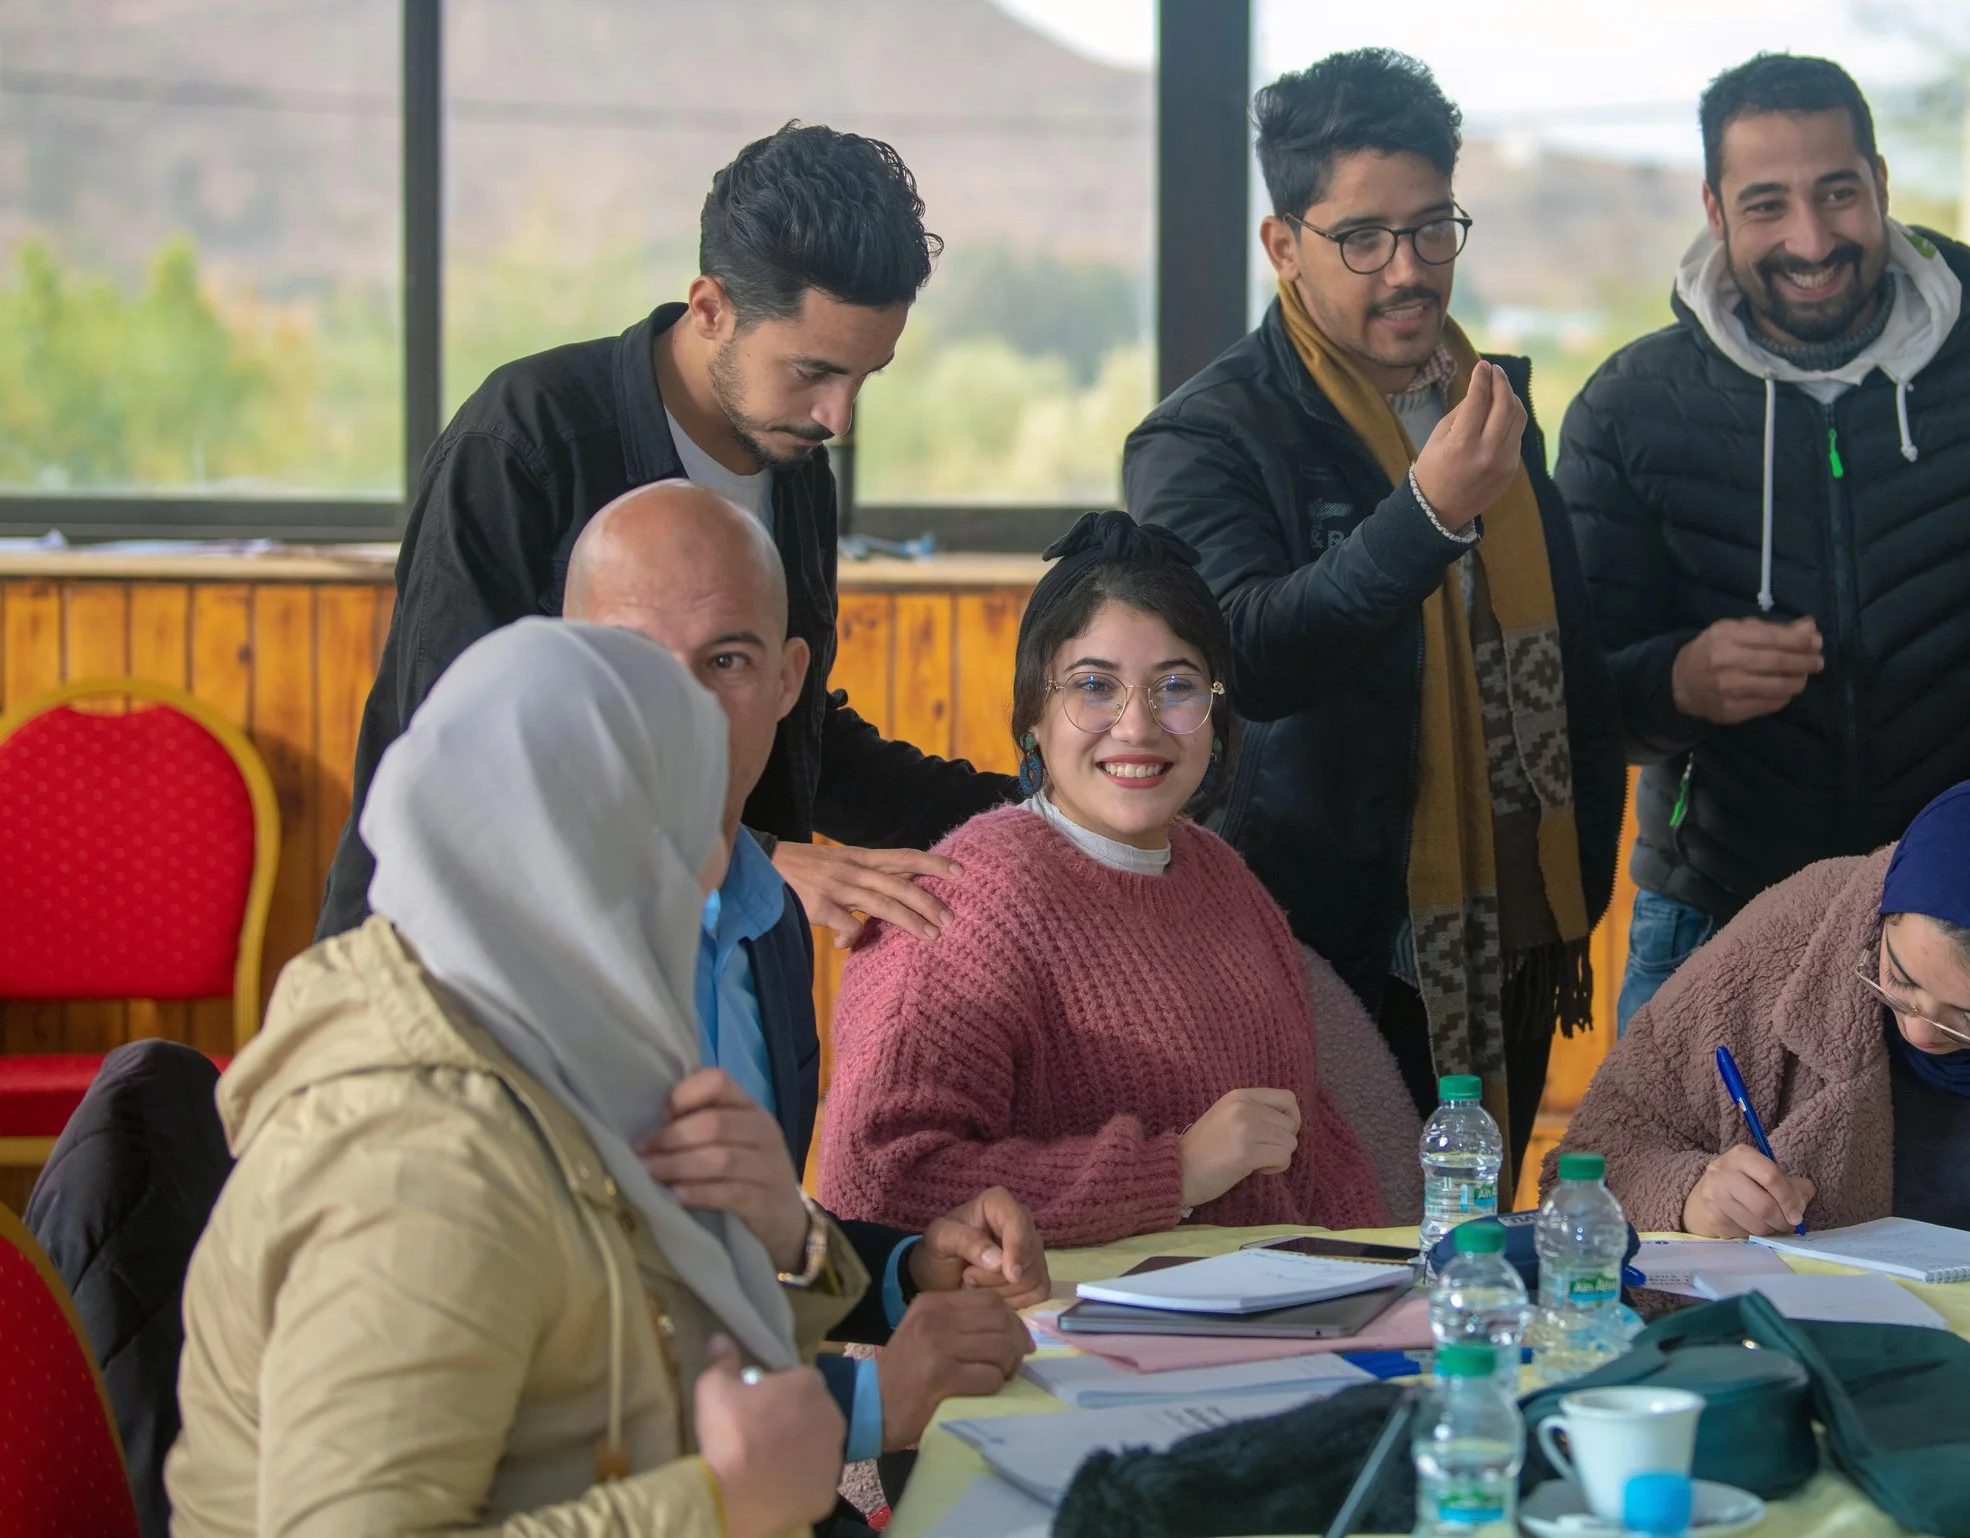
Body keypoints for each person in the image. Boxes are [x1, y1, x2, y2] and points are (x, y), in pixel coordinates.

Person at [170, 620, 1031, 1535]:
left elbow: (634, 1357)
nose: (707, 881)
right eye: (682, 836)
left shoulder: (546, 1035)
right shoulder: (414, 1162)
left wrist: (792, 1244)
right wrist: (714, 1505)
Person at [1555, 53, 1970, 1033]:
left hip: (1968, 918)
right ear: (1713, 208)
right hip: (1712, 905)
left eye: (1837, 193)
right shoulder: (1629, 407)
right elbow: (1574, 695)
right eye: (1766, 204)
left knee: (1961, 1195)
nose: (1811, 237)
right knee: (1677, 1183)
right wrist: (1681, 682)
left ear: (1879, 185)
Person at [318, 123, 1020, 949]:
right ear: (710, 308)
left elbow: (793, 738)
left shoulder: (796, 465)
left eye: (866, 377)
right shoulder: (525, 439)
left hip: (699, 977)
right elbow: (457, 758)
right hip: (459, 973)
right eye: (814, 372)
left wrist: (1042, 813)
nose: (840, 417)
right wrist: (750, 859)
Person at [1124, 48, 1622, 1164]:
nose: (1406, 269)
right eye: (1362, 237)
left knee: (1472, 1259)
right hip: (1317, 943)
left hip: (1510, 928)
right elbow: (1241, 658)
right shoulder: (1203, 438)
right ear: (1283, 246)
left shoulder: (1490, 403)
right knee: (1333, 1262)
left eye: (1432, 227)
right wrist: (1426, 518)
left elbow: (1567, 661)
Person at [560, 479, 1048, 1469]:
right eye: (632, 661)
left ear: (789, 683)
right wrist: (867, 1405)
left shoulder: (764, 912)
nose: (679, 706)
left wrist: (910, 1263)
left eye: (725, 660)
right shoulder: (508, 957)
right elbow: (561, 1394)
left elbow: (734, 1250)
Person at [1557, 765, 1970, 1422]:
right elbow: (1595, 1152)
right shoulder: (1792, 939)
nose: (1918, 1029)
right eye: (1899, 981)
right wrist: (1692, 1197)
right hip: (1761, 1374)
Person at [816, 513, 1392, 1247]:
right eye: (1095, 686)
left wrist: (1380, 1291)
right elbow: (880, 1186)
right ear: (1032, 714)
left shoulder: (1224, 878)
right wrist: (1173, 1172)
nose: (1137, 726)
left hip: (1273, 1336)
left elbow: (1310, 1154)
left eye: (1176, 687)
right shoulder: (960, 907)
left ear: (1215, 714)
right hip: (1042, 1348)